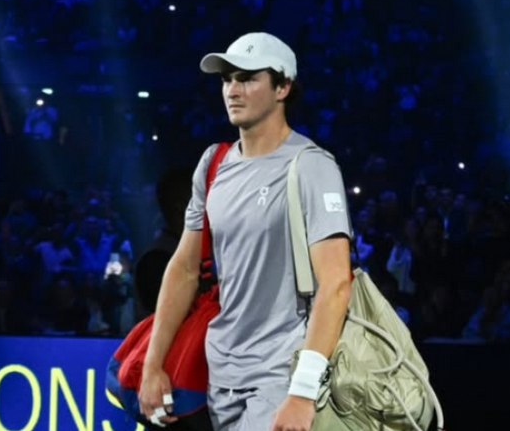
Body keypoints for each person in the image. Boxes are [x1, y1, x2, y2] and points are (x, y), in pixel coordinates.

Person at [138, 32, 353, 431]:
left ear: (283, 87)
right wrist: (153, 364)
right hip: (221, 377)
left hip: (282, 376)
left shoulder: (313, 167)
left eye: (248, 78)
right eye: (227, 79)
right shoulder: (213, 162)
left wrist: (302, 393)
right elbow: (184, 269)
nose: (232, 90)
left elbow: (337, 283)